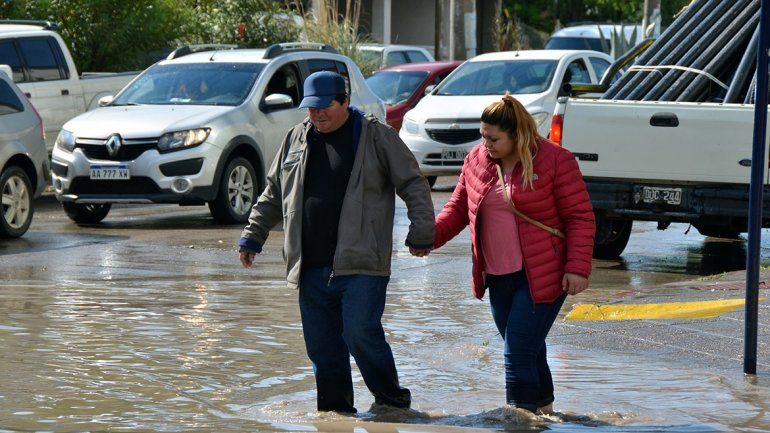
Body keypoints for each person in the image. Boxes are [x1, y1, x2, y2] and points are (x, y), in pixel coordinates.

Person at [237, 71, 435, 413]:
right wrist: (253, 235)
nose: (317, 115)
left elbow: (413, 183)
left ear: (345, 101)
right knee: (323, 349)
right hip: (310, 265)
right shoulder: (296, 138)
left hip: (362, 262)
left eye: (325, 107)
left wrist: (422, 232)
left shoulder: (375, 136)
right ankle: (335, 414)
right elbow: (273, 191)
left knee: (360, 334)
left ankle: (392, 402)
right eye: (311, 108)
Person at [432, 94, 595, 414]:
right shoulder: (476, 161)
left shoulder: (555, 160)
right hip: (497, 274)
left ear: (517, 134)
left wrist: (578, 267)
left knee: (517, 349)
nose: (485, 144)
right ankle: (545, 414)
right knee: (529, 350)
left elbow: (580, 216)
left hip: (543, 272)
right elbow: (456, 211)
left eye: (493, 138)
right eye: (482, 136)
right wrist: (425, 238)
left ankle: (517, 419)